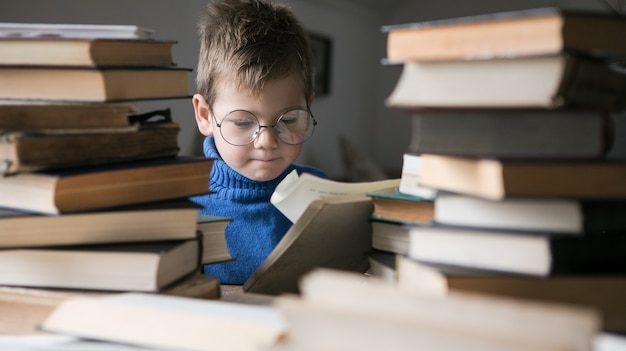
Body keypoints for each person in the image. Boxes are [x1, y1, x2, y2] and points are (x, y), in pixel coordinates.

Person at [190, 0, 327, 285]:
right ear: (205, 116)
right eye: (242, 122)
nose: (267, 141)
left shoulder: (323, 197)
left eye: (289, 120)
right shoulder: (180, 206)